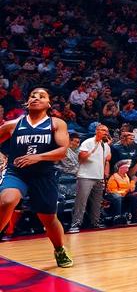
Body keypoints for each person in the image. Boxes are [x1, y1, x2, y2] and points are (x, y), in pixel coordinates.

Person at [0, 87, 73, 267]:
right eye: (33, 95)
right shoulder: (13, 125)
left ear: (48, 104)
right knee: (7, 201)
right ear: (27, 102)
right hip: (17, 172)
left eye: (42, 96)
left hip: (43, 175)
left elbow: (63, 151)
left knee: (47, 218)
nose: (36, 98)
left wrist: (37, 157)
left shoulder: (56, 123)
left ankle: (60, 249)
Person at [69, 122, 111, 233]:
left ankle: (95, 222)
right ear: (96, 131)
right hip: (85, 176)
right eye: (103, 130)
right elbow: (81, 158)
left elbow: (108, 158)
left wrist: (107, 146)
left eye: (106, 131)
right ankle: (75, 224)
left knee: (97, 202)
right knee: (81, 202)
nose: (105, 133)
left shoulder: (105, 145)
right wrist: (95, 147)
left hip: (99, 177)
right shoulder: (87, 142)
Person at [106, 159, 137, 224]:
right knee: (117, 197)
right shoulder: (114, 177)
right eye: (126, 167)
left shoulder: (126, 177)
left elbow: (130, 189)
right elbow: (112, 191)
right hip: (114, 195)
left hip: (124, 195)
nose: (128, 168)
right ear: (121, 168)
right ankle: (118, 217)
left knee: (136, 196)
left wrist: (133, 181)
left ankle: (134, 217)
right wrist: (125, 191)